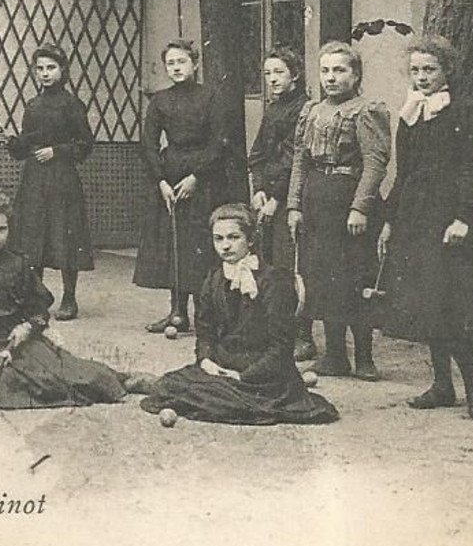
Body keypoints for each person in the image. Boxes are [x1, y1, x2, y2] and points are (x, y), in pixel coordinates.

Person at [378, 37, 473, 421]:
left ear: (447, 71)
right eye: (415, 70)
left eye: (429, 69)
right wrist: (389, 220)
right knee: (429, 301)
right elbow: (404, 172)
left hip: (450, 220)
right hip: (416, 219)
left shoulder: (465, 113)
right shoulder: (411, 114)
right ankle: (442, 386)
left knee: (452, 304)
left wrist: (464, 217)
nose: (421, 77)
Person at [140, 204, 340, 426]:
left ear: (251, 240)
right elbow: (205, 333)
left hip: (264, 376)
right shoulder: (214, 279)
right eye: (218, 239)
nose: (225, 246)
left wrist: (243, 376)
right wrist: (206, 361)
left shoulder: (273, 282)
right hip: (223, 365)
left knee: (223, 400)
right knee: (170, 386)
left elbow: (281, 348)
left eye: (233, 237)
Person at [0, 194, 139, 411]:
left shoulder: (18, 262)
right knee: (3, 385)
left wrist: (28, 326)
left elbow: (40, 311)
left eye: (2, 229)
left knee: (64, 376)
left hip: (18, 342)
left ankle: (127, 380)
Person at [287, 42, 392, 380]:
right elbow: (300, 162)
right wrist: (294, 205)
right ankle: (335, 355)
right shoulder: (311, 111)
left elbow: (375, 164)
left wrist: (360, 207)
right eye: (325, 71)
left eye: (339, 70)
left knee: (354, 278)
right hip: (317, 201)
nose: (331, 78)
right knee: (322, 279)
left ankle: (364, 357)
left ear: (355, 74)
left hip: (349, 200)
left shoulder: (366, 110)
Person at [133, 40, 230, 335]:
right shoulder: (160, 100)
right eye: (171, 63)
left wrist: (197, 177)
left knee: (199, 246)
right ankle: (177, 312)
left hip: (205, 178)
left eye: (182, 62)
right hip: (171, 174)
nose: (176, 68)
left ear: (195, 64)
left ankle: (205, 315)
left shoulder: (211, 96)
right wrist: (161, 180)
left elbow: (220, 142)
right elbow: (149, 143)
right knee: (173, 242)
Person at [8, 44, 97, 320]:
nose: (45, 74)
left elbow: (84, 145)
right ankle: (37, 298)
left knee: (65, 237)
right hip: (34, 180)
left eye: (51, 68)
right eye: (40, 68)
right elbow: (25, 145)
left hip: (62, 181)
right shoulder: (33, 105)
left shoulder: (72, 105)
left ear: (62, 70)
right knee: (34, 237)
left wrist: (56, 151)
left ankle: (69, 298)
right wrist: (12, 143)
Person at [248, 47, 316, 361]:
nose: (272, 79)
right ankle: (276, 332)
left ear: (295, 75)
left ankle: (303, 336)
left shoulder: (304, 108)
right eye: (268, 74)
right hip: (270, 199)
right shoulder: (273, 109)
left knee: (294, 266)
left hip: (293, 198)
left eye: (279, 73)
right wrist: (259, 189)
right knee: (272, 266)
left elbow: (294, 158)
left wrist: (275, 197)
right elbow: (258, 153)